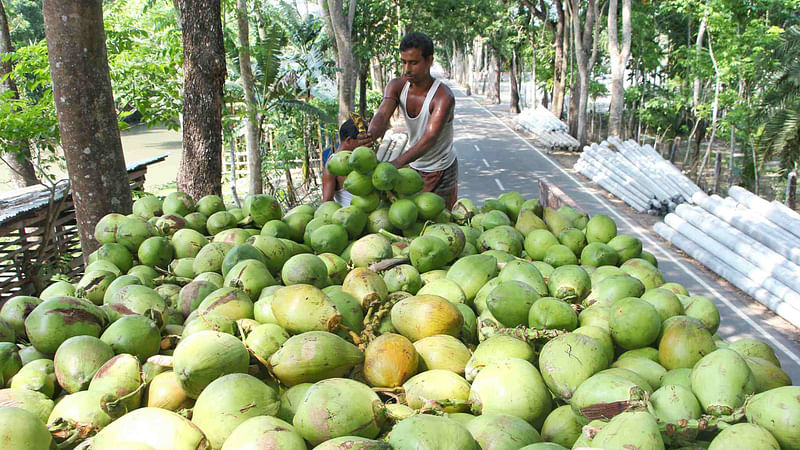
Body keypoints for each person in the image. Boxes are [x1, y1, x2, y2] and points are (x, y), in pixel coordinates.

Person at [359, 32, 458, 208]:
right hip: (415, 165)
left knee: (443, 220)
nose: (407, 69)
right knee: (410, 217)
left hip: (442, 168)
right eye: (404, 62)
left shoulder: (443, 97)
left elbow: (429, 139)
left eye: (414, 62)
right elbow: (382, 115)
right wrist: (371, 135)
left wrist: (397, 162)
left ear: (429, 60)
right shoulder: (397, 86)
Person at [321, 119, 360, 206]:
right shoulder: (332, 165)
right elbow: (327, 203)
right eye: (362, 140)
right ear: (349, 140)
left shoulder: (362, 161)